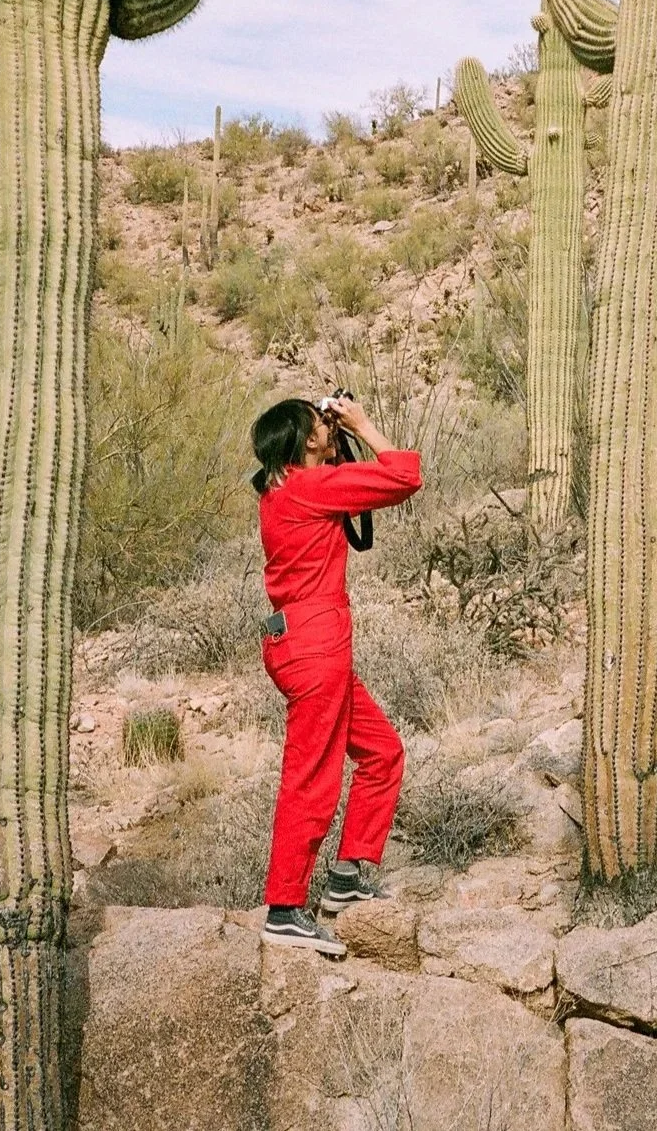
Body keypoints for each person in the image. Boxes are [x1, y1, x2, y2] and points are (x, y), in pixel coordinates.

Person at [250, 394, 422, 956]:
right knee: (312, 775)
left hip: (299, 642)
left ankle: (346, 879)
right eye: (318, 421)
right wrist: (362, 424)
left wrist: (335, 441)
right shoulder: (309, 487)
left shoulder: (282, 490)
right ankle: (284, 908)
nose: (326, 423)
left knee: (382, 751)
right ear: (304, 441)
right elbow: (404, 475)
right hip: (316, 645)